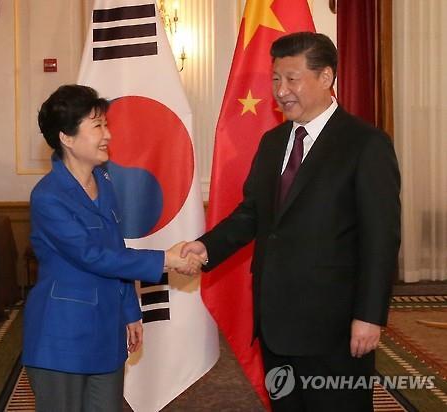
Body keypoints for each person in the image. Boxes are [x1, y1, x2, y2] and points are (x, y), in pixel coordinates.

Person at [182, 32, 401, 411]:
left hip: (334, 328)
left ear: (327, 78)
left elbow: (381, 239)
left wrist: (369, 316)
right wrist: (205, 248)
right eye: (275, 79)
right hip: (275, 325)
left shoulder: (365, 144)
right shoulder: (272, 142)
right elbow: (252, 213)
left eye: (292, 79)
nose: (281, 91)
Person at [23, 84, 203, 412]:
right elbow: (93, 256)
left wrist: (130, 312)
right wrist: (167, 259)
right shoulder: (48, 196)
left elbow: (115, 247)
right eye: (97, 126)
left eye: (106, 124)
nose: (108, 134)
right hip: (62, 335)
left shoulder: (103, 181)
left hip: (106, 328)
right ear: (66, 137)